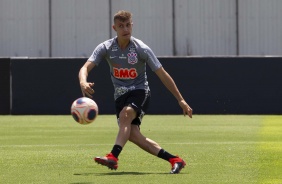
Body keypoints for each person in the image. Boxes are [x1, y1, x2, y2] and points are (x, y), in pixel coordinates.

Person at [79, 10, 193, 174]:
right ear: (114, 28)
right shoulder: (106, 47)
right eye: (121, 26)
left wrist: (180, 100)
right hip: (120, 96)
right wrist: (83, 81)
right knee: (133, 135)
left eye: (127, 25)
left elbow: (163, 74)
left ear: (132, 25)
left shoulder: (141, 49)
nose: (125, 29)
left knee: (126, 115)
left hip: (140, 91)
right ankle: (175, 160)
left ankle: (113, 156)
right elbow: (85, 68)